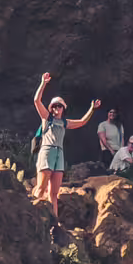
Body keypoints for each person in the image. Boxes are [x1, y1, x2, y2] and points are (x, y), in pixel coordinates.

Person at [32, 73, 100, 207]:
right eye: (55, 106)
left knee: (53, 194)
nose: (57, 108)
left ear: (63, 108)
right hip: (47, 151)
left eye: (60, 106)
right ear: (51, 108)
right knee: (41, 187)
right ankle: (32, 215)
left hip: (59, 154)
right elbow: (36, 101)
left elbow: (82, 122)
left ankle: (54, 223)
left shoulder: (64, 122)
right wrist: (43, 83)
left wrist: (92, 109)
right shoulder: (47, 118)